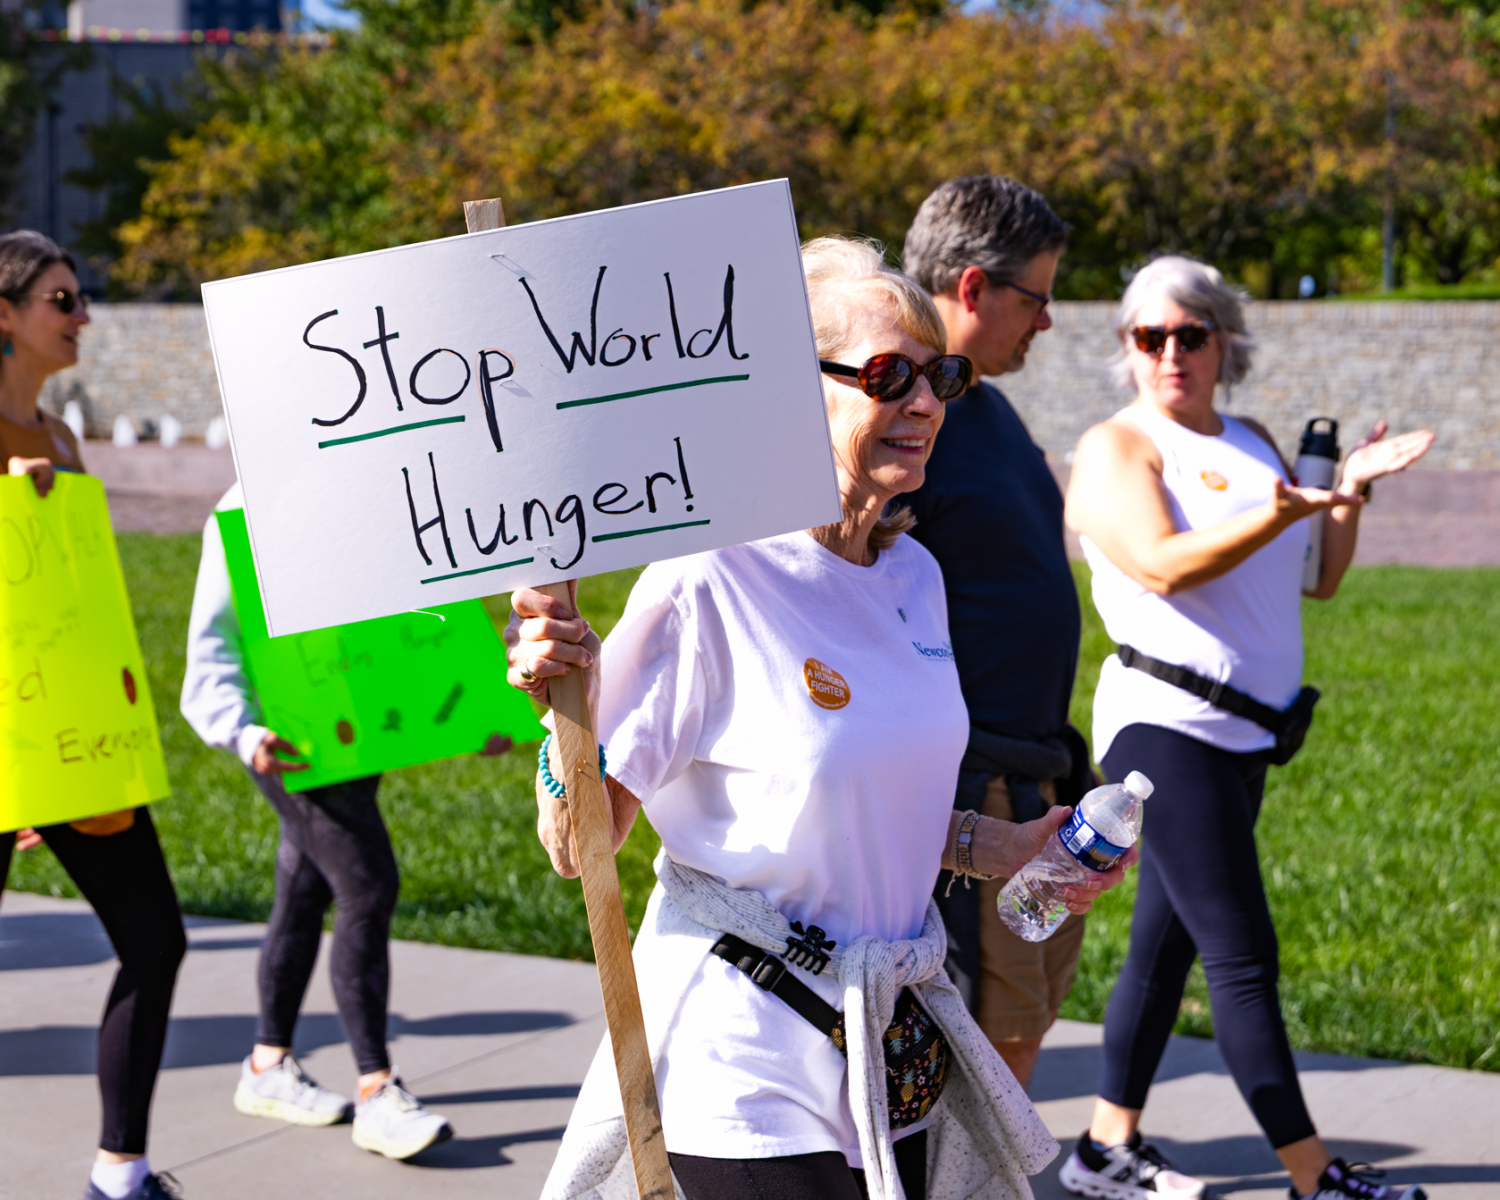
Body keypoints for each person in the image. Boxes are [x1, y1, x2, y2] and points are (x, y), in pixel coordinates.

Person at [507, 237, 1135, 1200]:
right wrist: (566, 711)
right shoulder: (708, 576)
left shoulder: (915, 576)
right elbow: (576, 844)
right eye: (889, 376)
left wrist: (1005, 846)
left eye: (940, 377)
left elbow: (873, 806)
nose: (925, 404)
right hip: (741, 1059)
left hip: (886, 1058)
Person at [1061, 256, 1433, 1200]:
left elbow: (1319, 575)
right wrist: (1276, 512)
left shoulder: (1255, 440)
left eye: (1191, 333)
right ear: (1128, 347)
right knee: (1240, 953)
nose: (1171, 352)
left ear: (1225, 340)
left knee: (1166, 949)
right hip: (1161, 728)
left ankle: (1104, 1148)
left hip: (1245, 737)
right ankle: (1317, 1179)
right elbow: (1161, 563)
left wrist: (1347, 492)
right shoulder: (1118, 446)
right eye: (1150, 336)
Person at [180, 480, 468, 1161]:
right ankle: (376, 1090)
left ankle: (267, 1065)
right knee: (368, 884)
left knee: (305, 883)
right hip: (288, 738)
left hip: (357, 729)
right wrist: (240, 729)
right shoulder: (246, 506)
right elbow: (212, 643)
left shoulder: (369, 481)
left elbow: (418, 608)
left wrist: (468, 708)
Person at [0, 230, 188, 1200]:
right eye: (62, 300)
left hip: (64, 742)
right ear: (5, 314)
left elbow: (72, 605)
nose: (83, 316)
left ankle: (121, 1173)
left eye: (81, 298)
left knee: (155, 939)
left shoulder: (65, 440)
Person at [902, 176, 1095, 1089]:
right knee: (979, 1055)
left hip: (1035, 775)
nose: (1047, 320)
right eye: (1036, 298)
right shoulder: (911, 419)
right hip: (973, 791)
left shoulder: (988, 404)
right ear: (973, 287)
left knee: (1025, 1027)